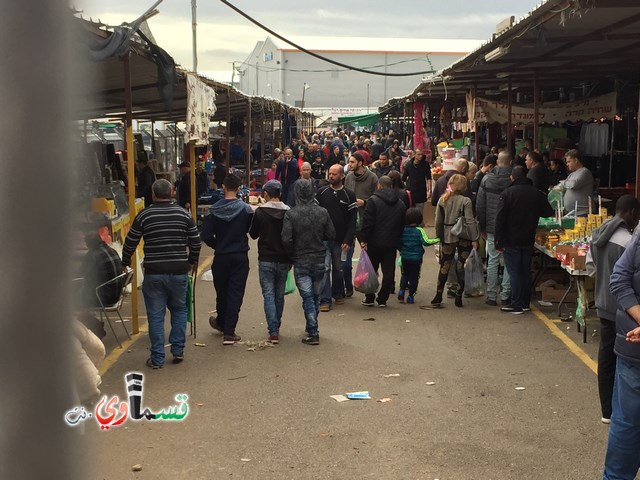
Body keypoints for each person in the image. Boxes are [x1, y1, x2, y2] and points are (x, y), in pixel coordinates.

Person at [122, 179, 201, 368]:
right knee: (180, 310)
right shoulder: (183, 214)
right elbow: (196, 241)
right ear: (172, 192)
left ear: (153, 194)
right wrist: (191, 262)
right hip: (179, 272)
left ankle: (157, 358)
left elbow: (130, 241)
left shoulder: (144, 216)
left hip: (154, 273)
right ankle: (178, 349)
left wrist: (124, 263)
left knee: (156, 316)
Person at [586, 195, 640, 424]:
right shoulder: (628, 241)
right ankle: (619, 411)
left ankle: (606, 410)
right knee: (624, 363)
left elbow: (590, 267)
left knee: (606, 357)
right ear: (630, 212)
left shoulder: (598, 233)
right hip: (624, 309)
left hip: (602, 302)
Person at [281, 179, 336, 345]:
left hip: (301, 259)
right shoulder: (322, 212)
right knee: (315, 296)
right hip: (319, 258)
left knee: (307, 297)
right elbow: (331, 234)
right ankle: (311, 325)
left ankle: (313, 331)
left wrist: (291, 255)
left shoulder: (291, 214)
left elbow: (286, 239)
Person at [604, 229, 640, 480]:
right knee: (626, 427)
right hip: (633, 353)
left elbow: (618, 278)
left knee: (626, 427)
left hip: (632, 348)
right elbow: (618, 278)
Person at [201, 173, 253, 345]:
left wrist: (219, 244)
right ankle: (229, 331)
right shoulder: (245, 209)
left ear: (222, 187)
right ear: (239, 189)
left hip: (221, 256)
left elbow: (206, 235)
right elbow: (250, 230)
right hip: (239, 255)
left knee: (222, 292)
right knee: (235, 293)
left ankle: (222, 322)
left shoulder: (213, 210)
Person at [495, 166, 554, 315]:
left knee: (515, 272)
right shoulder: (537, 193)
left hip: (511, 239)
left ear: (512, 178)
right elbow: (548, 212)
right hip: (528, 238)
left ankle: (516, 303)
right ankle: (525, 303)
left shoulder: (507, 193)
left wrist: (498, 241)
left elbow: (500, 219)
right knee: (525, 271)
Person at [249, 180, 291, 344]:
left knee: (268, 294)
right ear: (280, 193)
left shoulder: (260, 212)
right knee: (279, 294)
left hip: (266, 258)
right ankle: (276, 325)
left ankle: (273, 330)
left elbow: (253, 234)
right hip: (283, 258)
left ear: (266, 193)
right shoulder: (289, 211)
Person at [360, 175, 407, 308]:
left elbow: (368, 222)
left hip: (374, 242)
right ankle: (383, 298)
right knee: (388, 271)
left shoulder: (373, 201)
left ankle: (369, 297)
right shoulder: (400, 203)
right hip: (391, 242)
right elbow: (402, 223)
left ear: (379, 185)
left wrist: (364, 239)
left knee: (371, 270)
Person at [432, 174, 478, 307]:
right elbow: (470, 221)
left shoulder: (442, 200)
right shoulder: (466, 201)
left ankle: (438, 295)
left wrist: (438, 237)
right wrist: (474, 238)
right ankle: (459, 295)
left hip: (447, 236)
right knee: (461, 266)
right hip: (463, 236)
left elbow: (437, 222)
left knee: (445, 265)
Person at [316, 164, 357, 312]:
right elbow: (315, 215)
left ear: (342, 176)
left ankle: (338, 292)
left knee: (338, 268)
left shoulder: (349, 195)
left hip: (340, 241)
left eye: (334, 174)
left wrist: (348, 240)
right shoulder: (321, 193)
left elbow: (352, 220)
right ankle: (325, 299)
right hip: (323, 239)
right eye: (330, 174)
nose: (331, 176)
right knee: (325, 269)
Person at [476, 152, 512, 306]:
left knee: (493, 260)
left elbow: (480, 205)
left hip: (491, 227)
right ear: (510, 162)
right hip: (509, 227)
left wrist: (482, 227)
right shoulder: (513, 180)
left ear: (498, 161)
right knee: (508, 261)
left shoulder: (487, 179)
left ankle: (491, 295)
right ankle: (505, 294)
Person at [343, 152, 378, 297]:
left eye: (352, 162)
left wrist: (365, 201)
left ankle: (369, 287)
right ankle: (348, 286)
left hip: (365, 221)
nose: (349, 164)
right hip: (350, 221)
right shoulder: (349, 177)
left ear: (360, 163)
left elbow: (377, 197)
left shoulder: (372, 178)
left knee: (369, 256)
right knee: (345, 258)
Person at [397, 208, 438, 304]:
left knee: (405, 274)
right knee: (414, 277)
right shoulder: (419, 230)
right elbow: (426, 242)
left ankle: (402, 291)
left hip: (405, 257)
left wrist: (402, 250)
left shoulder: (403, 230)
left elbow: (399, 242)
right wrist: (438, 239)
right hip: (416, 259)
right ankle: (411, 296)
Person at [563, 149, 593, 216]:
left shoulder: (585, 172)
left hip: (582, 213)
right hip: (571, 212)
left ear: (576, 160)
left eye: (569, 162)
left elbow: (574, 184)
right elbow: (566, 185)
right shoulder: (571, 174)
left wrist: (564, 183)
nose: (567, 164)